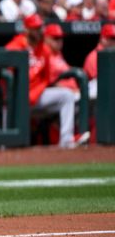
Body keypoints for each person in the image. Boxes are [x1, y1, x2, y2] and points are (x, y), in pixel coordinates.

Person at [5, 14, 89, 149]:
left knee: (67, 96)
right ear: (27, 30)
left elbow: (48, 78)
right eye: (35, 28)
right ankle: (6, 145)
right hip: (18, 98)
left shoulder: (43, 49)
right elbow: (1, 63)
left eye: (40, 28)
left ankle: (66, 141)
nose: (39, 31)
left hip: (37, 95)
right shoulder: (16, 45)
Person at [83, 23, 115, 100]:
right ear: (103, 39)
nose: (114, 42)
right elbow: (100, 79)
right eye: (112, 39)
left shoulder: (111, 54)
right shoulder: (94, 56)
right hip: (92, 92)